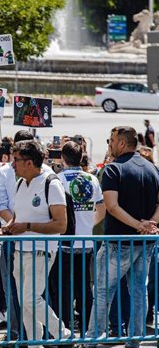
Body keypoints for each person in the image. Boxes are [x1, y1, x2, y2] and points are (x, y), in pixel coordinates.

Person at [86, 126, 159, 348]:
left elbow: (112, 207)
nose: (109, 145)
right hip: (145, 243)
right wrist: (150, 225)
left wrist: (141, 225)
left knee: (102, 292)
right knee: (139, 292)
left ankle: (92, 339)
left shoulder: (113, 170)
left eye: (111, 141)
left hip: (119, 242)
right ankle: (135, 340)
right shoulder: (153, 169)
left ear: (121, 143)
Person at [2, 140, 72, 346]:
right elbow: (18, 215)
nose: (13, 164)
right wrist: (10, 225)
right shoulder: (19, 183)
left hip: (40, 251)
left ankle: (62, 333)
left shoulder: (52, 183)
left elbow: (61, 224)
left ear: (29, 162)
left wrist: (27, 226)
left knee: (30, 299)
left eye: (16, 160)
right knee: (25, 304)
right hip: (19, 250)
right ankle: (35, 342)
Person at [48, 140, 104, 335]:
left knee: (63, 287)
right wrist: (88, 224)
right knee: (84, 287)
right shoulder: (92, 179)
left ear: (63, 158)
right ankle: (88, 330)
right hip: (86, 241)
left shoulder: (57, 179)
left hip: (64, 242)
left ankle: (63, 330)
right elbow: (102, 210)